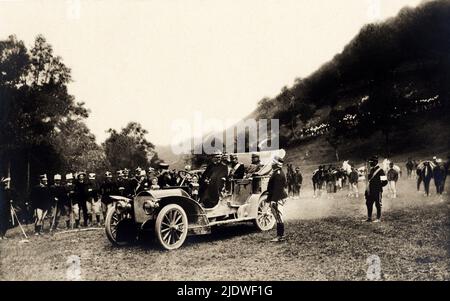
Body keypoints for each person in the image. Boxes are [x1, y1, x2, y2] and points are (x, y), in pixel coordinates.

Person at [266, 156, 288, 242]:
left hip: (278, 198)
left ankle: (280, 236)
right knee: (278, 216)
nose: (271, 164)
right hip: (278, 197)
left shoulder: (278, 174)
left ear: (276, 164)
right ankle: (280, 235)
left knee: (279, 216)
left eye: (273, 163)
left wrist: (273, 200)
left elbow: (277, 189)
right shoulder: (277, 172)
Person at [364, 156, 388, 223]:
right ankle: (369, 218)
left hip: (377, 191)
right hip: (370, 190)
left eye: (371, 162)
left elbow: (385, 181)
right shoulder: (371, 170)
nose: (370, 164)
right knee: (368, 203)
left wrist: (378, 186)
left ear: (375, 162)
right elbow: (369, 180)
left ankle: (378, 218)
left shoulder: (380, 171)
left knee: (378, 204)